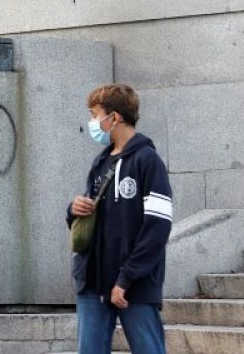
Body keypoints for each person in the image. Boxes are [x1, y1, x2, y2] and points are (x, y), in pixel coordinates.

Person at [68, 84, 173, 354]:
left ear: (114, 117)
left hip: (134, 285)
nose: (92, 122)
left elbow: (157, 228)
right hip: (93, 282)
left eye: (95, 115)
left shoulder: (148, 161)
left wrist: (126, 279)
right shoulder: (101, 162)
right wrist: (74, 210)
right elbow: (91, 223)